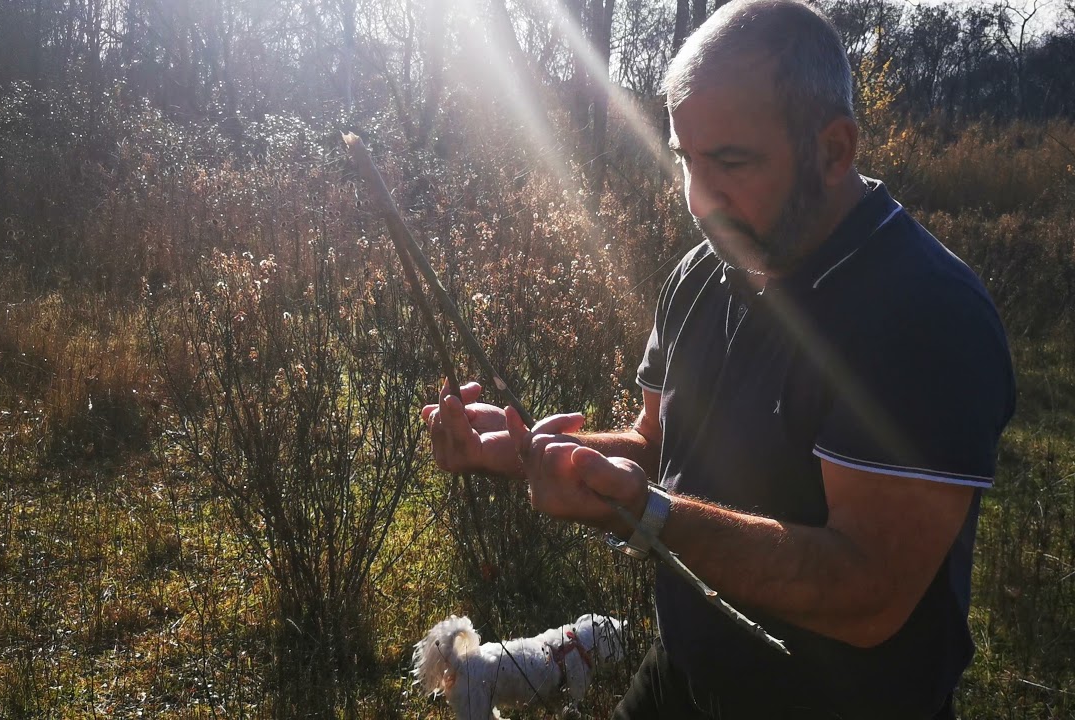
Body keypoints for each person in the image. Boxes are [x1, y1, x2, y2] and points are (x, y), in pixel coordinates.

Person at [421, 1, 1015, 717]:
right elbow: (662, 444)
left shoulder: (924, 314)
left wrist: (649, 518)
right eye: (685, 161)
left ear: (833, 149)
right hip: (682, 673)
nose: (699, 202)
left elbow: (867, 594)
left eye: (731, 163)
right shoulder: (703, 271)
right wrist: (528, 453)